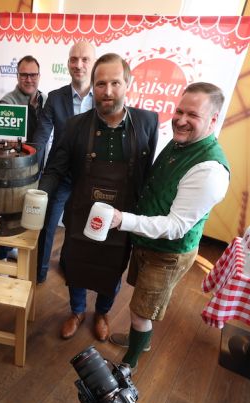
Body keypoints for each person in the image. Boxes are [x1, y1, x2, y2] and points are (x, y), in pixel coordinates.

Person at [108, 82, 230, 374]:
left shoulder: (210, 170)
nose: (181, 119)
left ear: (213, 120)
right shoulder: (181, 142)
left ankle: (130, 363)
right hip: (148, 243)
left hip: (168, 252)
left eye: (193, 115)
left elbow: (175, 227)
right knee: (141, 305)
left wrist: (122, 219)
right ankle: (141, 339)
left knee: (140, 311)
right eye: (179, 110)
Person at [38, 53, 158, 342]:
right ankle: (77, 310)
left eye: (115, 83)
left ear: (127, 83)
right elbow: (55, 170)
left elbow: (146, 175)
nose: (108, 91)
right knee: (76, 262)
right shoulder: (74, 126)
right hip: (81, 212)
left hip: (122, 217)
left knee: (112, 268)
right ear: (93, 85)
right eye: (101, 83)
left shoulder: (147, 123)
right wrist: (38, 195)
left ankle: (102, 312)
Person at [31, 40, 95, 283]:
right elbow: (40, 139)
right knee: (47, 223)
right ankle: (40, 272)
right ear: (68, 63)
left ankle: (69, 264)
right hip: (59, 172)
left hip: (89, 175)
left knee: (77, 225)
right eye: (73, 60)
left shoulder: (102, 99)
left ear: (93, 63)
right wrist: (28, 169)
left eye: (85, 59)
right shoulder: (55, 98)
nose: (78, 65)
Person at [0, 55, 46, 261]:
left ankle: (21, 254)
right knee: (10, 215)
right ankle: (2, 255)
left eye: (33, 75)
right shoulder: (7, 101)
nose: (29, 79)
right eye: (24, 75)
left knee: (30, 215)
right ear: (17, 76)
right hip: (13, 172)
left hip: (38, 168)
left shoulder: (46, 100)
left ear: (39, 76)